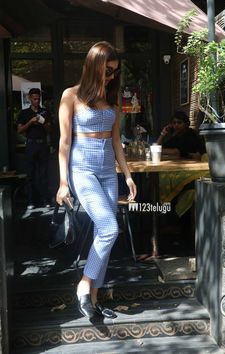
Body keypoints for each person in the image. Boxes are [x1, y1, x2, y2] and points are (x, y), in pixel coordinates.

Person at [56, 41, 137, 319]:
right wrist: (63, 182)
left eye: (114, 72)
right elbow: (64, 143)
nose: (110, 76)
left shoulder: (111, 100)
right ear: (93, 66)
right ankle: (84, 283)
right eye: (106, 70)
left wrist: (127, 175)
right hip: (82, 172)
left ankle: (92, 301)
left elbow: (116, 142)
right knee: (109, 228)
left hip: (107, 173)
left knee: (101, 234)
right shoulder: (71, 96)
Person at [17, 88, 51, 209]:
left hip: (42, 145)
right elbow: (19, 130)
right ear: (30, 98)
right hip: (31, 144)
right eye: (34, 99)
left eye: (38, 99)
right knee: (30, 174)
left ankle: (46, 200)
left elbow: (49, 130)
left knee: (44, 174)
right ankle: (31, 201)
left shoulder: (45, 112)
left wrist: (43, 122)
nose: (37, 101)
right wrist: (30, 122)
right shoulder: (24, 113)